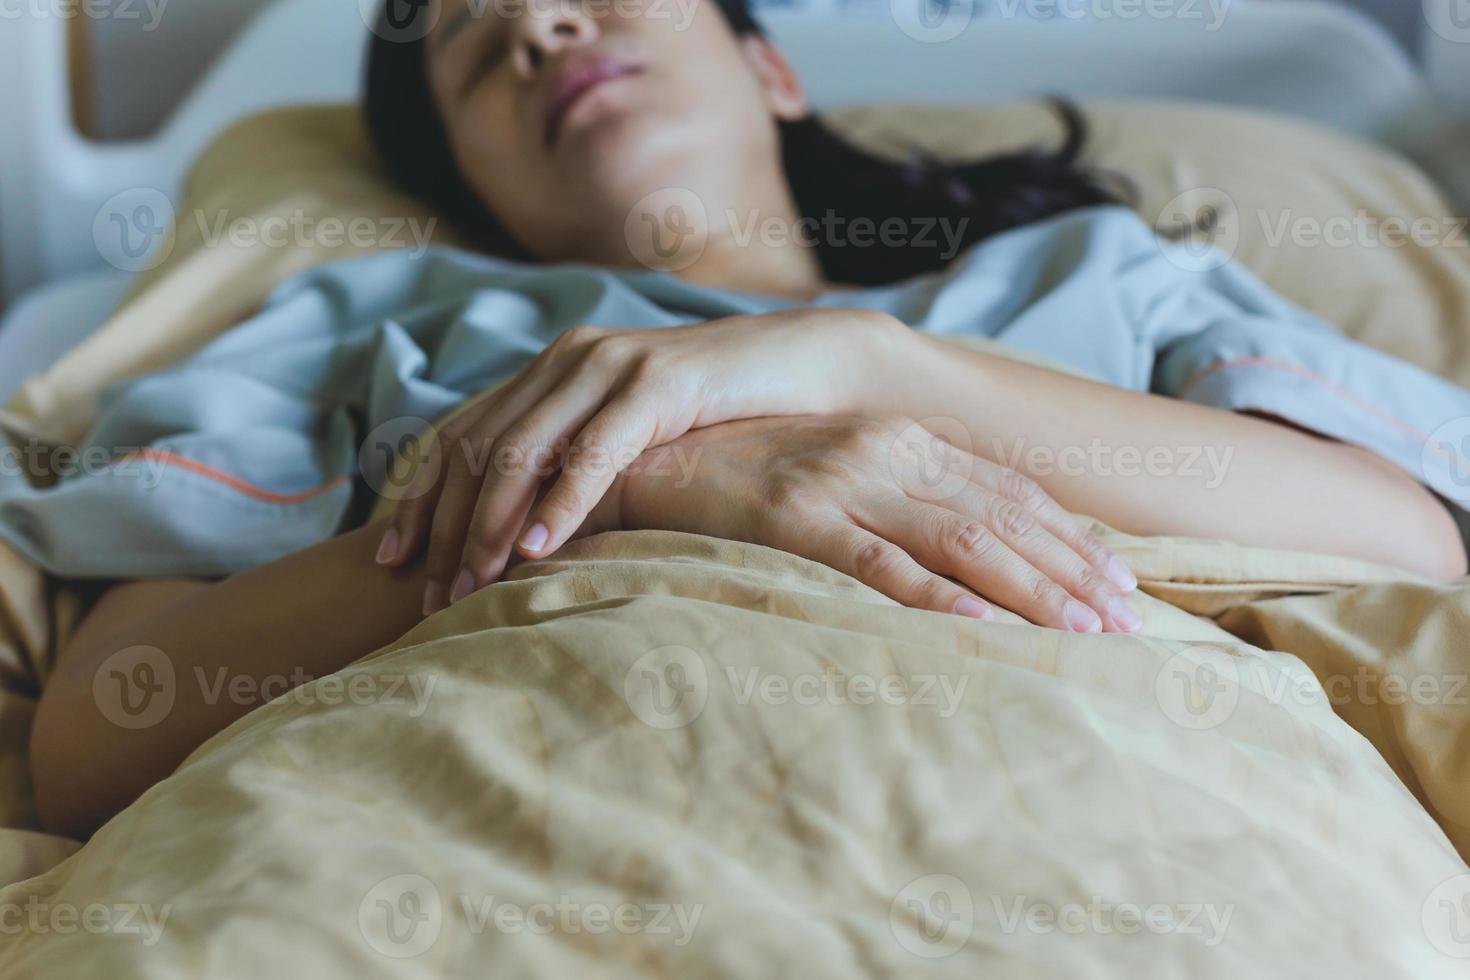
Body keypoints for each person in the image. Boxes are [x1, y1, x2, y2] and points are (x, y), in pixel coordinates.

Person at [29, 0, 1463, 839]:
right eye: (469, 48)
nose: (535, 23)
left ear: (769, 67)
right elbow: (98, 730)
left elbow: (1411, 546)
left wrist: (867, 372)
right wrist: (616, 490)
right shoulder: (385, 344)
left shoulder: (1101, 281)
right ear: (466, 186)